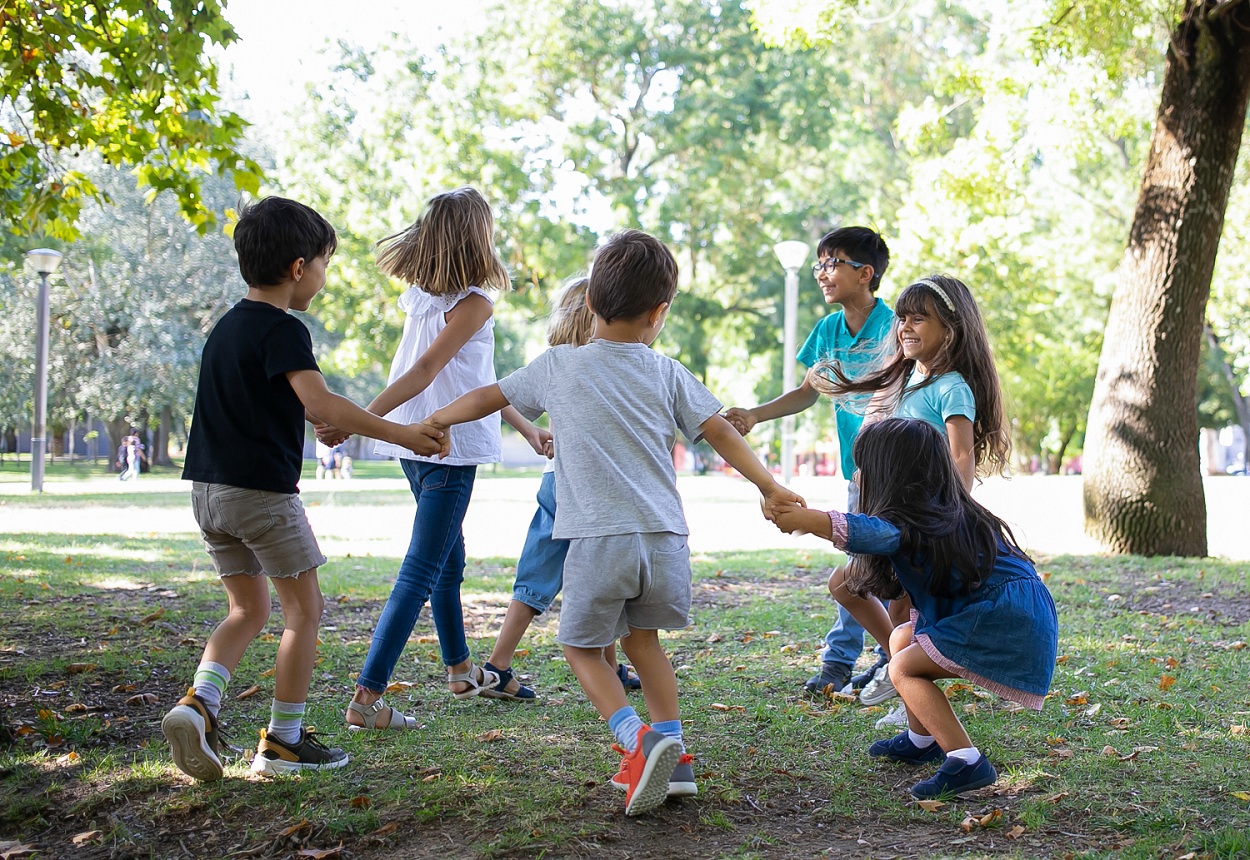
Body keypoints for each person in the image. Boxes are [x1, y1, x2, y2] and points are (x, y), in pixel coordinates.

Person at [425, 229, 804, 816]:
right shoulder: (667, 371)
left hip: (600, 541)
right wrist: (771, 485)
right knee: (644, 644)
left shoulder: (558, 365)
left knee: (579, 645)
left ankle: (638, 739)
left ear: (590, 306)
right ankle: (676, 760)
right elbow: (721, 430)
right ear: (659, 313)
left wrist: (439, 419)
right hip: (665, 541)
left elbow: (488, 396)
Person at [162, 196, 445, 781]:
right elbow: (320, 404)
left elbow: (287, 408)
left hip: (208, 495)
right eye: (323, 262)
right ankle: (284, 741)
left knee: (246, 608)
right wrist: (404, 434)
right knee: (304, 612)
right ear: (298, 268)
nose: (323, 274)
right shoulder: (284, 330)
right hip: (262, 497)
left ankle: (200, 704)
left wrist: (324, 420)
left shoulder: (225, 329)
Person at [336, 187, 549, 733]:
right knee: (423, 568)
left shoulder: (422, 297)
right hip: (444, 447)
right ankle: (367, 697)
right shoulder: (473, 301)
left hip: (417, 443)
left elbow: (477, 379)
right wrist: (358, 418)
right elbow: (426, 371)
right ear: (479, 237)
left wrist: (524, 427)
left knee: (448, 562)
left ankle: (459, 670)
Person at [770, 418, 1056, 799]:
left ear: (892, 476)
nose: (857, 476)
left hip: (1002, 619)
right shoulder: (942, 513)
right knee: (903, 639)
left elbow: (870, 531)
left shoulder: (912, 523)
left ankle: (966, 761)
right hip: (1009, 613)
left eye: (864, 468)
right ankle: (921, 740)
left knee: (903, 667)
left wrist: (810, 520)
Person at [813, 273, 1010, 718]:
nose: (905, 326)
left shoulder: (952, 387)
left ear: (951, 330)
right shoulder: (904, 383)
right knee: (846, 587)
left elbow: (962, 457)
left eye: (919, 318)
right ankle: (896, 663)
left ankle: (909, 690)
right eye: (902, 318)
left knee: (903, 607)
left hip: (924, 522)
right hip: (890, 517)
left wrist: (953, 514)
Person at [724, 226, 894, 698]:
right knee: (862, 565)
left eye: (831, 263)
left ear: (865, 274)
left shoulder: (896, 326)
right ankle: (883, 657)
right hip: (856, 473)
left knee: (867, 567)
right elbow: (806, 393)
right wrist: (755, 414)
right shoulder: (827, 331)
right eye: (819, 264)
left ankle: (848, 661)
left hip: (896, 473)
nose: (822, 273)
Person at [481, 276, 640, 702]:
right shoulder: (606, 361)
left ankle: (499, 664)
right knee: (601, 571)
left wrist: (534, 430)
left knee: (540, 575)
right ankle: (502, 667)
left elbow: (502, 394)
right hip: (588, 488)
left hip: (556, 482)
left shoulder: (556, 361)